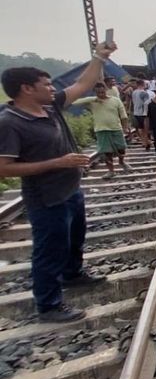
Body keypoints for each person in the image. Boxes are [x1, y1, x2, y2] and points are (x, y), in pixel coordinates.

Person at [0, 41, 116, 322]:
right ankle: (49, 305)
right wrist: (57, 163)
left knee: (75, 237)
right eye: (47, 84)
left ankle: (72, 274)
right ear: (27, 88)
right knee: (50, 248)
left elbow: (82, 84)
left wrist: (99, 57)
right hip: (46, 197)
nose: (53, 88)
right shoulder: (10, 122)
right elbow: (4, 168)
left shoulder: (49, 107)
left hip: (70, 190)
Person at [73, 82, 132, 179]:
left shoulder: (115, 100)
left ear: (106, 90)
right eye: (98, 92)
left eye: (102, 92)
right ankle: (111, 171)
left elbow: (123, 115)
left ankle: (122, 162)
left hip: (116, 128)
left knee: (121, 148)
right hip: (101, 130)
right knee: (107, 152)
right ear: (95, 92)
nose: (101, 94)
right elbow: (75, 102)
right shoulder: (93, 102)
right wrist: (93, 99)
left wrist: (125, 127)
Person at [131, 79, 153, 149]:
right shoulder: (144, 93)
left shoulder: (134, 92)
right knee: (146, 128)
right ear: (143, 84)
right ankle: (147, 141)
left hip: (136, 112)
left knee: (140, 128)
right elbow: (146, 103)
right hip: (143, 113)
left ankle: (144, 141)